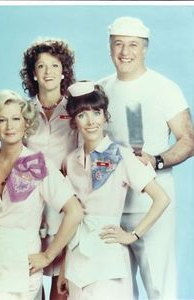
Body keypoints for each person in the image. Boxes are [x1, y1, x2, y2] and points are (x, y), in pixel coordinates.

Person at [0, 38, 78, 300]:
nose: (48, 71)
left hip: (55, 207)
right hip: (3, 243)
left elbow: (74, 202)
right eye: (41, 66)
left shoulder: (74, 110)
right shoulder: (25, 112)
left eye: (54, 65)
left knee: (62, 290)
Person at [98, 16, 194, 299]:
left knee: (158, 287)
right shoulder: (101, 90)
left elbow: (188, 140)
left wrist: (157, 160)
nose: (125, 52)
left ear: (144, 49)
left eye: (132, 45)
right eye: (118, 45)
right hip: (111, 206)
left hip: (153, 204)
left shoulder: (164, 88)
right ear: (109, 48)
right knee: (115, 290)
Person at [57, 81, 170, 300]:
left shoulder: (122, 155)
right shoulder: (70, 161)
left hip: (108, 255)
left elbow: (161, 199)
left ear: (105, 116)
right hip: (76, 258)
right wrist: (63, 269)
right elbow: (72, 218)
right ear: (74, 122)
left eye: (96, 113)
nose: (91, 122)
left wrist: (132, 235)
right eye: (82, 115)